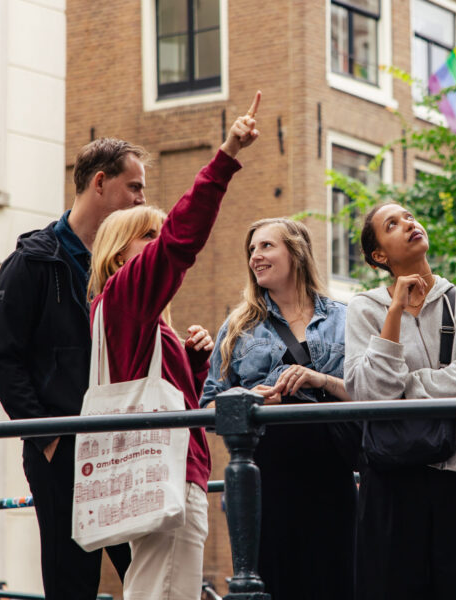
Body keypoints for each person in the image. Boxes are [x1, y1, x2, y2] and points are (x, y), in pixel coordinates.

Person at [86, 91, 260, 599]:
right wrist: (224, 159)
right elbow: (181, 241)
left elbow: (165, 394)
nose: (162, 243)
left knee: (159, 585)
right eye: (150, 237)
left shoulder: (132, 318)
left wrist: (194, 361)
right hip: (165, 470)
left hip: (164, 469)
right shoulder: (123, 298)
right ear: (121, 256)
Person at [0, 137, 145, 598]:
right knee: (71, 583)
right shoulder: (32, 261)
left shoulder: (125, 264)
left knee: (152, 573)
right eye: (134, 187)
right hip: (65, 455)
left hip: (126, 450)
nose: (141, 199)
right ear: (100, 182)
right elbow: (2, 360)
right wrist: (49, 438)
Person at [344, 202, 456, 599]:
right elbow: (366, 394)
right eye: (392, 224)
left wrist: (405, 389)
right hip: (391, 475)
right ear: (379, 255)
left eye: (410, 215)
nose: (409, 223)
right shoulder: (364, 308)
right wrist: (394, 313)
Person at [200, 217, 355, 599]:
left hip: (332, 472)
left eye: (267, 246)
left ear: (296, 252)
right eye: (252, 249)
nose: (256, 256)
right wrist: (253, 402)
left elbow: (372, 392)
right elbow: (209, 407)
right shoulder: (238, 327)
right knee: (270, 580)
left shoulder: (345, 319)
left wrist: (321, 380)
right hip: (264, 476)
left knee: (335, 579)